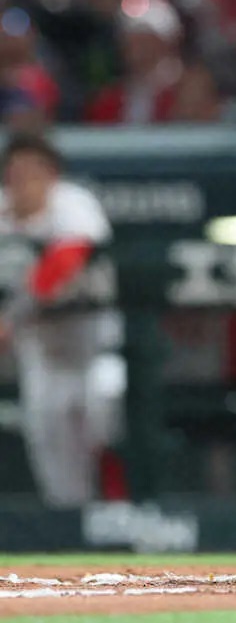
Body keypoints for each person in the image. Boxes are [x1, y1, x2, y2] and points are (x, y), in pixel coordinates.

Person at [0, 132, 120, 507]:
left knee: (108, 424)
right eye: (15, 173)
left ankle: (124, 513)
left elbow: (66, 259)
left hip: (95, 345)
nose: (23, 181)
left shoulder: (72, 202)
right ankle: (70, 526)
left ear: (52, 175)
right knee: (53, 456)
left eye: (33, 171)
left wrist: (11, 315)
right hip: (41, 351)